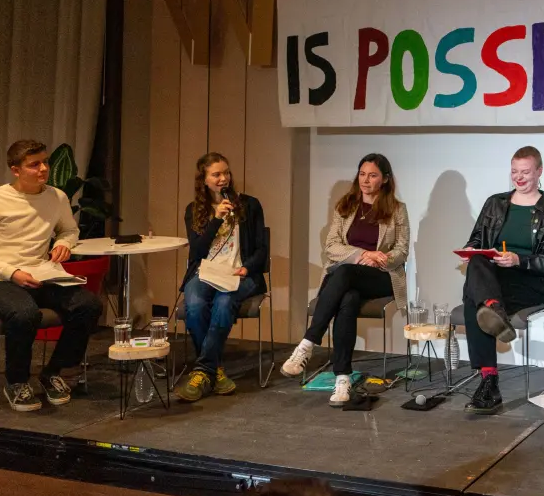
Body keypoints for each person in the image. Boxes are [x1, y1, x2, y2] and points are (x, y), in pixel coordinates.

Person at [0, 140, 103, 412]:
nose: (43, 168)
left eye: (45, 162)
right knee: (24, 313)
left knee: (88, 305)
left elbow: (69, 230)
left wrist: (64, 243)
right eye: (34, 164)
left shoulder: (57, 197)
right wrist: (12, 272)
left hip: (40, 273)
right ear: (16, 170)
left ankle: (55, 371)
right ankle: (17, 381)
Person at [280, 153, 410, 407]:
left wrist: (379, 258)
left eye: (372, 175)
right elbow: (331, 246)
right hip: (349, 275)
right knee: (348, 297)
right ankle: (343, 379)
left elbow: (402, 250)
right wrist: (363, 254)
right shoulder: (347, 205)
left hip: (380, 276)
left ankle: (307, 343)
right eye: (362, 174)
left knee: (344, 274)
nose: (365, 180)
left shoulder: (396, 209)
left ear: (385, 179)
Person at [461, 146, 544, 415]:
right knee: (477, 263)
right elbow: (477, 239)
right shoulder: (495, 203)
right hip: (494, 277)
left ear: (539, 172)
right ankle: (493, 307)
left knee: (474, 298)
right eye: (515, 171)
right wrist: (471, 249)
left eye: (525, 172)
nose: (519, 177)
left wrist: (518, 260)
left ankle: (489, 382)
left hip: (531, 281)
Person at [175, 152, 268, 402]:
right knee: (194, 304)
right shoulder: (194, 210)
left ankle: (202, 371)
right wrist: (216, 220)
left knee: (224, 302)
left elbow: (262, 249)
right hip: (206, 272)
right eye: (216, 174)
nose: (223, 178)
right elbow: (197, 251)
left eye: (226, 172)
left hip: (240, 272)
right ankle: (214, 370)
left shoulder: (250, 205)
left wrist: (247, 268)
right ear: (204, 180)